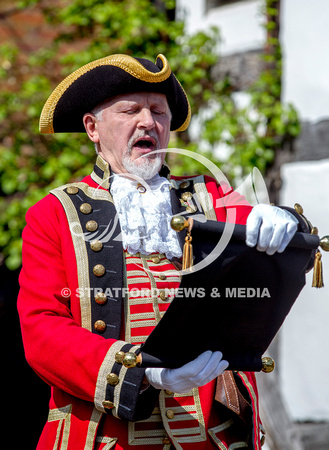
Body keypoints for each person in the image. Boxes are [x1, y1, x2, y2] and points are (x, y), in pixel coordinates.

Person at [17, 54, 299, 450]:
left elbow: (266, 228)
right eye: (130, 110)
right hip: (105, 436)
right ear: (92, 128)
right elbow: (42, 329)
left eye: (159, 112)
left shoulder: (210, 196)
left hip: (211, 436)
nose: (148, 122)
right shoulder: (53, 214)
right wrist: (141, 373)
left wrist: (283, 219)